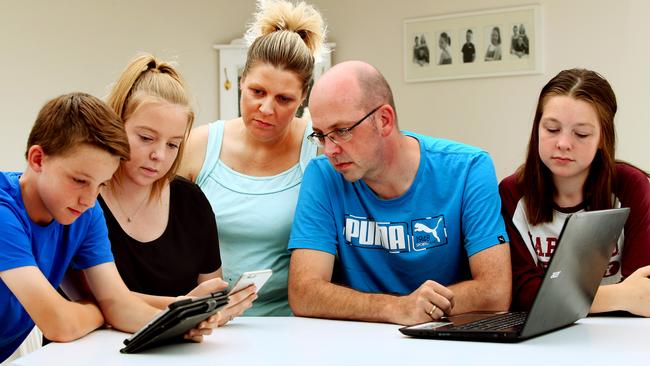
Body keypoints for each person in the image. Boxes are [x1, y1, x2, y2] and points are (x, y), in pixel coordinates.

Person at [287, 61, 511, 326]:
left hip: (448, 342)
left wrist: (419, 309)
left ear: (384, 120)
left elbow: (495, 292)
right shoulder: (323, 175)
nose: (329, 150)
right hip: (358, 342)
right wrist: (397, 308)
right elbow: (304, 293)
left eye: (341, 131)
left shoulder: (469, 168)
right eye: (321, 135)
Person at [0, 93, 216, 364]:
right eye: (79, 180)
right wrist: (100, 309)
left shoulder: (86, 213)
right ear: (38, 159)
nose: (89, 199)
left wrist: (181, 327)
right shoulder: (3, 211)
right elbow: (59, 324)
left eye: (101, 184)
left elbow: (120, 305)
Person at [179, 0, 326, 316]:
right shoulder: (199, 146)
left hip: (292, 323)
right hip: (207, 321)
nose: (267, 108)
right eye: (257, 92)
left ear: (303, 99)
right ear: (242, 81)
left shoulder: (318, 147)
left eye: (284, 99)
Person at [95, 54, 256, 323]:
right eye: (146, 138)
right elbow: (95, 297)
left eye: (173, 144)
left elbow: (209, 292)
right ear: (116, 124)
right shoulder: (83, 200)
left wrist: (216, 310)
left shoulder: (190, 201)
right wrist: (185, 307)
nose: (159, 155)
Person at [499, 68, 650, 316]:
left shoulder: (631, 185)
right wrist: (621, 295)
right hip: (547, 337)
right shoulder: (512, 192)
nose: (563, 143)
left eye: (581, 134)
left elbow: (644, 292)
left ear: (603, 137)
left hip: (619, 334)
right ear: (537, 127)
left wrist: (553, 295)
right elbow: (523, 294)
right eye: (551, 129)